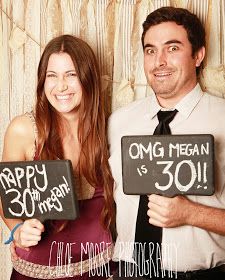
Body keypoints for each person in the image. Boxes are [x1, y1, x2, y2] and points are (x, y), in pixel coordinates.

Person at [108, 6, 225, 280]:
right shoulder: (117, 122)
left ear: (198, 55)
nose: (159, 60)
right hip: (129, 272)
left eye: (172, 48)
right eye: (150, 50)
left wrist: (191, 213)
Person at [0, 34, 115, 279]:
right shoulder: (24, 130)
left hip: (99, 268)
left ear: (87, 78)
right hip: (38, 272)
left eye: (71, 75)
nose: (60, 86)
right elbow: (5, 196)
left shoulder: (108, 130)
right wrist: (17, 229)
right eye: (52, 76)